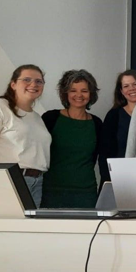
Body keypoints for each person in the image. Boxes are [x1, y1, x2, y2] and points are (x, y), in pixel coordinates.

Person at [0, 65, 52, 207]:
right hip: (8, 181)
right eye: (27, 79)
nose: (33, 84)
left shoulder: (37, 118)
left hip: (36, 182)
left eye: (39, 81)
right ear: (13, 84)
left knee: (26, 229)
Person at [41, 70, 103, 208]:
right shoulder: (50, 118)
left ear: (91, 94)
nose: (79, 95)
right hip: (52, 190)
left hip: (86, 192)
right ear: (65, 93)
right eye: (73, 90)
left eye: (84, 91)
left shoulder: (97, 123)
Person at [98, 70, 136, 186]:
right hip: (120, 180)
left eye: (135, 84)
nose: (131, 88)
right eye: (126, 86)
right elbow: (105, 153)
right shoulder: (114, 116)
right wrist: (109, 181)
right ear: (121, 91)